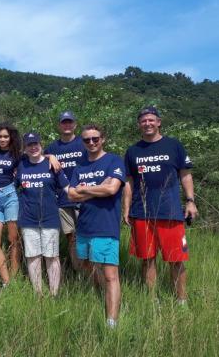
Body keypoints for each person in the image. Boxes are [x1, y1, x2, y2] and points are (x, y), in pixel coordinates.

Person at [123, 106, 197, 304]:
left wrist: (190, 201)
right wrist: (126, 209)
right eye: (143, 121)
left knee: (176, 259)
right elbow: (129, 183)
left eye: (151, 120)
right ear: (139, 124)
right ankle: (151, 299)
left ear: (158, 122)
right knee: (147, 259)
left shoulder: (174, 145)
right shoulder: (133, 151)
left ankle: (181, 300)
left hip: (170, 212)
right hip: (141, 213)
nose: (147, 123)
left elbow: (185, 174)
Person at [68, 124, 126, 329]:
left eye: (95, 139)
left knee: (110, 274)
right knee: (87, 265)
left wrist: (86, 189)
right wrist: (98, 187)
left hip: (105, 225)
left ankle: (112, 320)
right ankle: (103, 297)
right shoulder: (80, 165)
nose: (91, 143)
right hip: (84, 225)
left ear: (103, 138)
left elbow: (112, 189)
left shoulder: (114, 160)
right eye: (87, 140)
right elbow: (71, 194)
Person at [16, 132, 69, 296]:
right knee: (33, 256)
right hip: (28, 218)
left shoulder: (52, 165)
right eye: (29, 145)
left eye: (36, 144)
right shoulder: (21, 165)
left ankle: (54, 294)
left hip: (50, 217)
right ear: (24, 148)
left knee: (52, 256)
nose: (33, 147)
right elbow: (11, 187)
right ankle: (38, 293)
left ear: (41, 144)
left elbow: (68, 189)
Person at [45, 111, 86, 272]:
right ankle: (79, 272)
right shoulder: (53, 147)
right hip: (62, 200)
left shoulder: (84, 143)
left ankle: (91, 271)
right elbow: (35, 157)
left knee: (87, 236)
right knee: (71, 238)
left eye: (70, 122)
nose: (67, 125)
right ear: (59, 125)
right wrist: (49, 156)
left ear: (75, 125)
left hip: (84, 198)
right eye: (64, 122)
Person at [0, 122, 23, 286]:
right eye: (0, 136)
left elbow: (37, 157)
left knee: (13, 239)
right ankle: (6, 281)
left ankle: (14, 278)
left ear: (11, 138)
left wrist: (50, 157)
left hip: (10, 196)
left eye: (6, 136)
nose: (2, 139)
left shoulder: (17, 156)